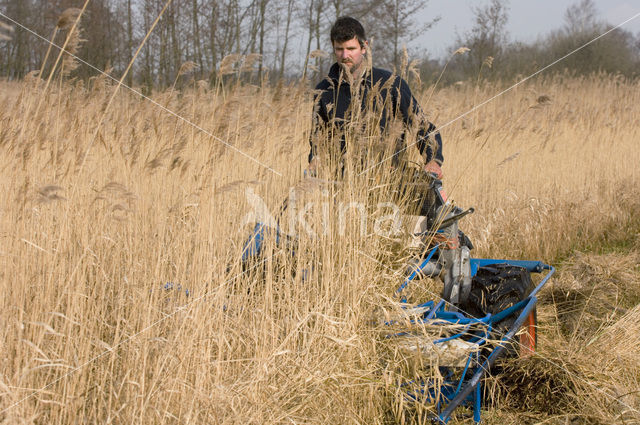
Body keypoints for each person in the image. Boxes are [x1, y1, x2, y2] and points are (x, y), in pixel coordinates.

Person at [308, 16, 443, 179]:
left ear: (364, 47)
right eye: (339, 49)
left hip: (390, 181)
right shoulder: (324, 90)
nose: (345, 55)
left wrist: (433, 160)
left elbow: (421, 126)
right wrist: (315, 160)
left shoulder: (390, 84)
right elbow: (318, 139)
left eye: (351, 49)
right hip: (343, 184)